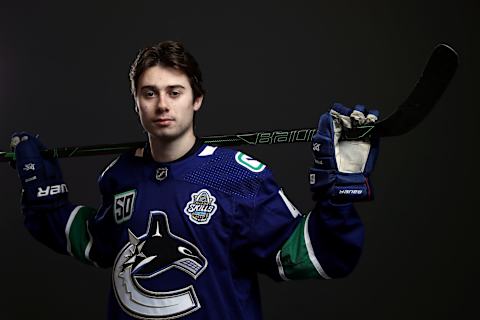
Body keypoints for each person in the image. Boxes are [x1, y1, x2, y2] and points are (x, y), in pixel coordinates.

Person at [11, 40, 379, 319]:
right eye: (149, 93)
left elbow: (316, 256)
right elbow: (96, 241)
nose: (162, 105)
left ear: (196, 99)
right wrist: (44, 198)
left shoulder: (237, 175)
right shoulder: (119, 175)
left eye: (175, 92)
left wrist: (339, 193)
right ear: (136, 102)